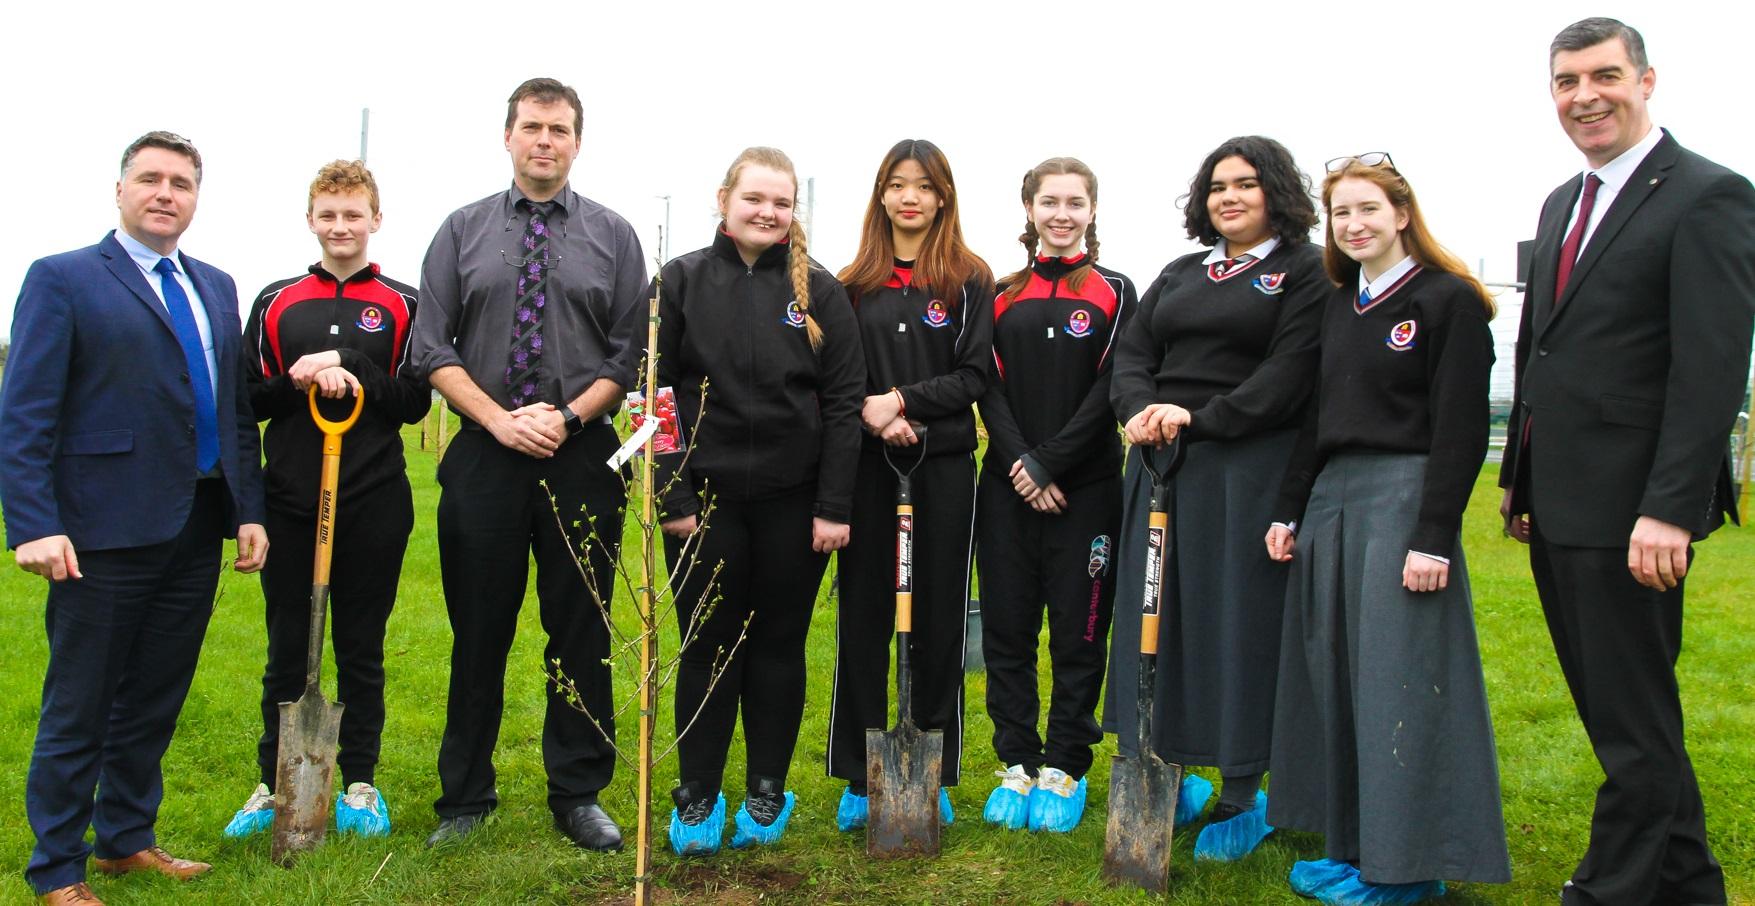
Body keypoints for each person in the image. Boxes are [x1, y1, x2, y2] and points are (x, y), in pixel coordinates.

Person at [1500, 18, 1755, 905]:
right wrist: (1517, 481)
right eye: (1566, 81)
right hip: (1559, 502)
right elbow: (1544, 352)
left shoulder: (1708, 195)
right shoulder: (1560, 203)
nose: (1584, 96)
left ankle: (1604, 891)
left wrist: (1670, 508)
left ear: (1647, 81)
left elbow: (1710, 368)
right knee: (1627, 717)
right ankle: (1690, 887)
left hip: (1633, 511)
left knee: (1630, 727)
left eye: (1603, 75)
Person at [1, 131, 267, 906]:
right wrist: (32, 524)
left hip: (193, 524)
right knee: (80, 702)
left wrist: (246, 509)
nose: (165, 193)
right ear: (119, 190)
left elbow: (235, 409)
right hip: (99, 531)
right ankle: (57, 867)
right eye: (149, 179)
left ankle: (124, 841)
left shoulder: (215, 286)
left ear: (195, 198)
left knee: (154, 696)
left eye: (181, 183)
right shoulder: (65, 279)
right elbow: (24, 413)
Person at [405, 77, 647, 852]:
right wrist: (496, 420)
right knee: (480, 632)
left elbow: (629, 352)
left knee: (580, 632)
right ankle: (465, 797)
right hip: (483, 456)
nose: (546, 141)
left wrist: (570, 415)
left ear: (578, 142)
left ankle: (578, 792)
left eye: (561, 129)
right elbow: (429, 347)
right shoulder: (459, 231)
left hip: (582, 459)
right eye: (533, 127)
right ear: (507, 136)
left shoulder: (613, 235)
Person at [1264, 154, 1509, 905]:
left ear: (1402, 214)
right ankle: (1352, 847)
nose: (1354, 224)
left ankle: (1407, 867)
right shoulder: (1340, 303)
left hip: (1403, 499)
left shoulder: (1447, 300)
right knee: (1333, 672)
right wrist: (1288, 508)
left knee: (1395, 683)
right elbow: (1314, 419)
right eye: (1340, 213)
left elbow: (1462, 431)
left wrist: (1432, 535)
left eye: (1367, 208)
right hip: (1333, 499)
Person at [1105, 136, 1326, 861]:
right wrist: (1138, 408)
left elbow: (1288, 372)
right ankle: (1162, 764)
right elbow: (1134, 354)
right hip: (1162, 467)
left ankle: (1241, 791)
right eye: (1217, 186)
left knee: (1237, 623)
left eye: (1246, 184)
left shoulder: (1304, 271)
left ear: (1277, 195)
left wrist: (1200, 418)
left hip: (1245, 468)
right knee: (1156, 620)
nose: (1228, 197)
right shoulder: (1179, 272)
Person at [653, 147, 866, 854]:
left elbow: (842, 405)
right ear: (723, 198)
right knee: (706, 646)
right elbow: (648, 393)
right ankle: (697, 795)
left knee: (777, 645)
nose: (767, 213)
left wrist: (833, 505)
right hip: (702, 507)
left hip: (793, 504)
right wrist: (670, 493)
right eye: (754, 199)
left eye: (780, 203)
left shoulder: (820, 293)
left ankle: (767, 790)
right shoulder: (678, 281)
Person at [226, 160, 430, 840]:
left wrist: (354, 372)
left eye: (353, 214)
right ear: (310, 220)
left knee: (361, 645)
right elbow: (249, 398)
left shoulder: (403, 302)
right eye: (328, 214)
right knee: (287, 647)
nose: (340, 227)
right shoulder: (277, 300)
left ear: (376, 219)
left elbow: (413, 401)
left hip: (372, 497)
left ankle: (360, 782)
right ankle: (273, 778)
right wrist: (297, 378)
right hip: (290, 498)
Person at [827, 139, 993, 830]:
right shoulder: (851, 283)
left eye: (923, 186)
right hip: (868, 468)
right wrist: (875, 413)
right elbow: (839, 381)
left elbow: (974, 374)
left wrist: (901, 401)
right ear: (880, 194)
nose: (909, 198)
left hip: (943, 468)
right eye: (896, 184)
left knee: (936, 617)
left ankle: (934, 765)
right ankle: (860, 773)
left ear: (942, 196)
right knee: (864, 613)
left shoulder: (967, 278)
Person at [975, 157, 1134, 834]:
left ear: (1091, 211)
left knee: (1077, 632)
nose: (1061, 214)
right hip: (1008, 489)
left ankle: (1066, 763)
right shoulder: (999, 291)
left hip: (1086, 490)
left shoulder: (1116, 291)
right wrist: (1021, 463)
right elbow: (985, 383)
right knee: (1008, 631)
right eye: (1049, 202)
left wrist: (1050, 463)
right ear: (1029, 209)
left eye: (1074, 202)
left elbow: (1112, 389)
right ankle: (1016, 759)